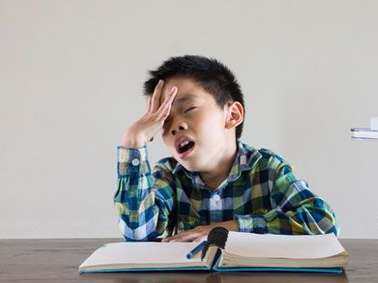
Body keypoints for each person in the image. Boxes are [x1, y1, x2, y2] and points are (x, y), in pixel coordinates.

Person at [114, 55, 339, 242]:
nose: (176, 126)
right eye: (164, 121)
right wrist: (133, 141)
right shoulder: (168, 175)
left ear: (232, 115)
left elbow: (323, 224)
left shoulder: (266, 170)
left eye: (189, 108)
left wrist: (228, 229)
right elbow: (137, 234)